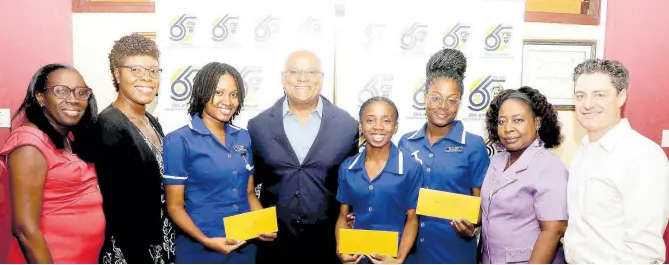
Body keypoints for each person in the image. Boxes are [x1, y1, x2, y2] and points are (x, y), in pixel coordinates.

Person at [248, 50, 359, 263]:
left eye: (311, 72)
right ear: (283, 78)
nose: (302, 78)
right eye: (295, 71)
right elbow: (247, 186)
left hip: (328, 249)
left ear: (322, 78)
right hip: (274, 249)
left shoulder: (348, 126)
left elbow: (354, 184)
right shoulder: (258, 126)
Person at [163, 62, 277, 264]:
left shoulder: (243, 137)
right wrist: (206, 240)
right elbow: (175, 206)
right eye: (219, 92)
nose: (228, 101)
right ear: (202, 93)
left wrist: (265, 224)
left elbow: (249, 193)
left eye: (234, 94)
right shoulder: (179, 140)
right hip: (200, 248)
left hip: (244, 247)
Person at [564, 59, 669, 263]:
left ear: (621, 97)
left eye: (599, 95)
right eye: (580, 95)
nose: (587, 104)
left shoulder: (643, 156)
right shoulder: (583, 150)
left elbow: (644, 251)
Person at [0, 64, 104, 263]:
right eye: (61, 91)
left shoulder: (71, 138)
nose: (73, 99)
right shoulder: (29, 144)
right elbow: (25, 229)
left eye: (81, 92)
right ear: (40, 97)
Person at [398, 48, 490, 263]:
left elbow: (481, 207)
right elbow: (395, 194)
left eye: (451, 100)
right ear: (424, 97)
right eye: (436, 98)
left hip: (453, 252)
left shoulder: (474, 145)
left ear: (460, 102)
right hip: (408, 253)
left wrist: (472, 227)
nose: (443, 106)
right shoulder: (405, 142)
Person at [93, 33, 176, 264]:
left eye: (153, 71)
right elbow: (115, 204)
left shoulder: (151, 121)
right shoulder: (109, 125)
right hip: (132, 249)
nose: (146, 78)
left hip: (161, 242)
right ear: (117, 73)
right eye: (136, 70)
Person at [479, 86, 568, 263]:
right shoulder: (496, 161)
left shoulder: (549, 166)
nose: (508, 128)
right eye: (502, 121)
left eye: (517, 120)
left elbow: (554, 230)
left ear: (537, 123)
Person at [335, 97, 422, 264]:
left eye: (386, 120)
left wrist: (399, 259)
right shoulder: (347, 167)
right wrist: (341, 249)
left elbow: (412, 219)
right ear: (361, 126)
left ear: (395, 127)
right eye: (370, 120)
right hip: (357, 257)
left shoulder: (411, 168)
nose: (378, 127)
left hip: (392, 257)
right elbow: (342, 216)